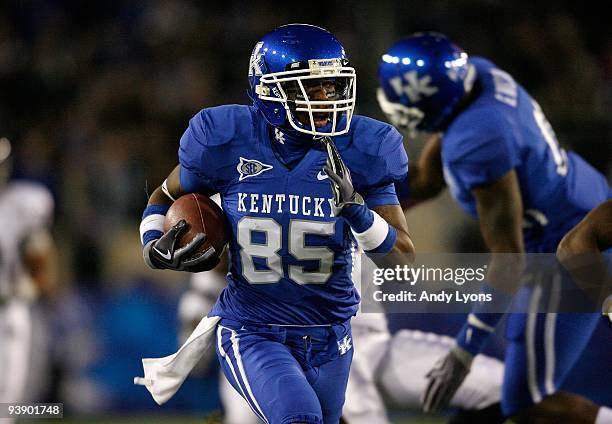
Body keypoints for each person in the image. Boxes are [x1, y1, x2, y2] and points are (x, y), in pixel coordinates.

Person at [139, 24, 414, 424]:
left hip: (331, 335)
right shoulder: (227, 139)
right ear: (270, 91)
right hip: (253, 329)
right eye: (311, 89)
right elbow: (163, 195)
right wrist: (151, 242)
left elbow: (403, 262)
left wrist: (357, 210)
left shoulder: (364, 148)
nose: (327, 100)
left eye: (332, 87)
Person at [376, 32, 612, 423]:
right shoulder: (477, 76)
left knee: (527, 405)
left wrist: (463, 352)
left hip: (564, 249)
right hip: (581, 199)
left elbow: (508, 262)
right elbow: (426, 179)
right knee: (514, 397)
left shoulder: (477, 142)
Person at [0, 137, 58, 420]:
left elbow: (42, 254)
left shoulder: (25, 202)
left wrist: (36, 283)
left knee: (15, 405)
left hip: (10, 310)